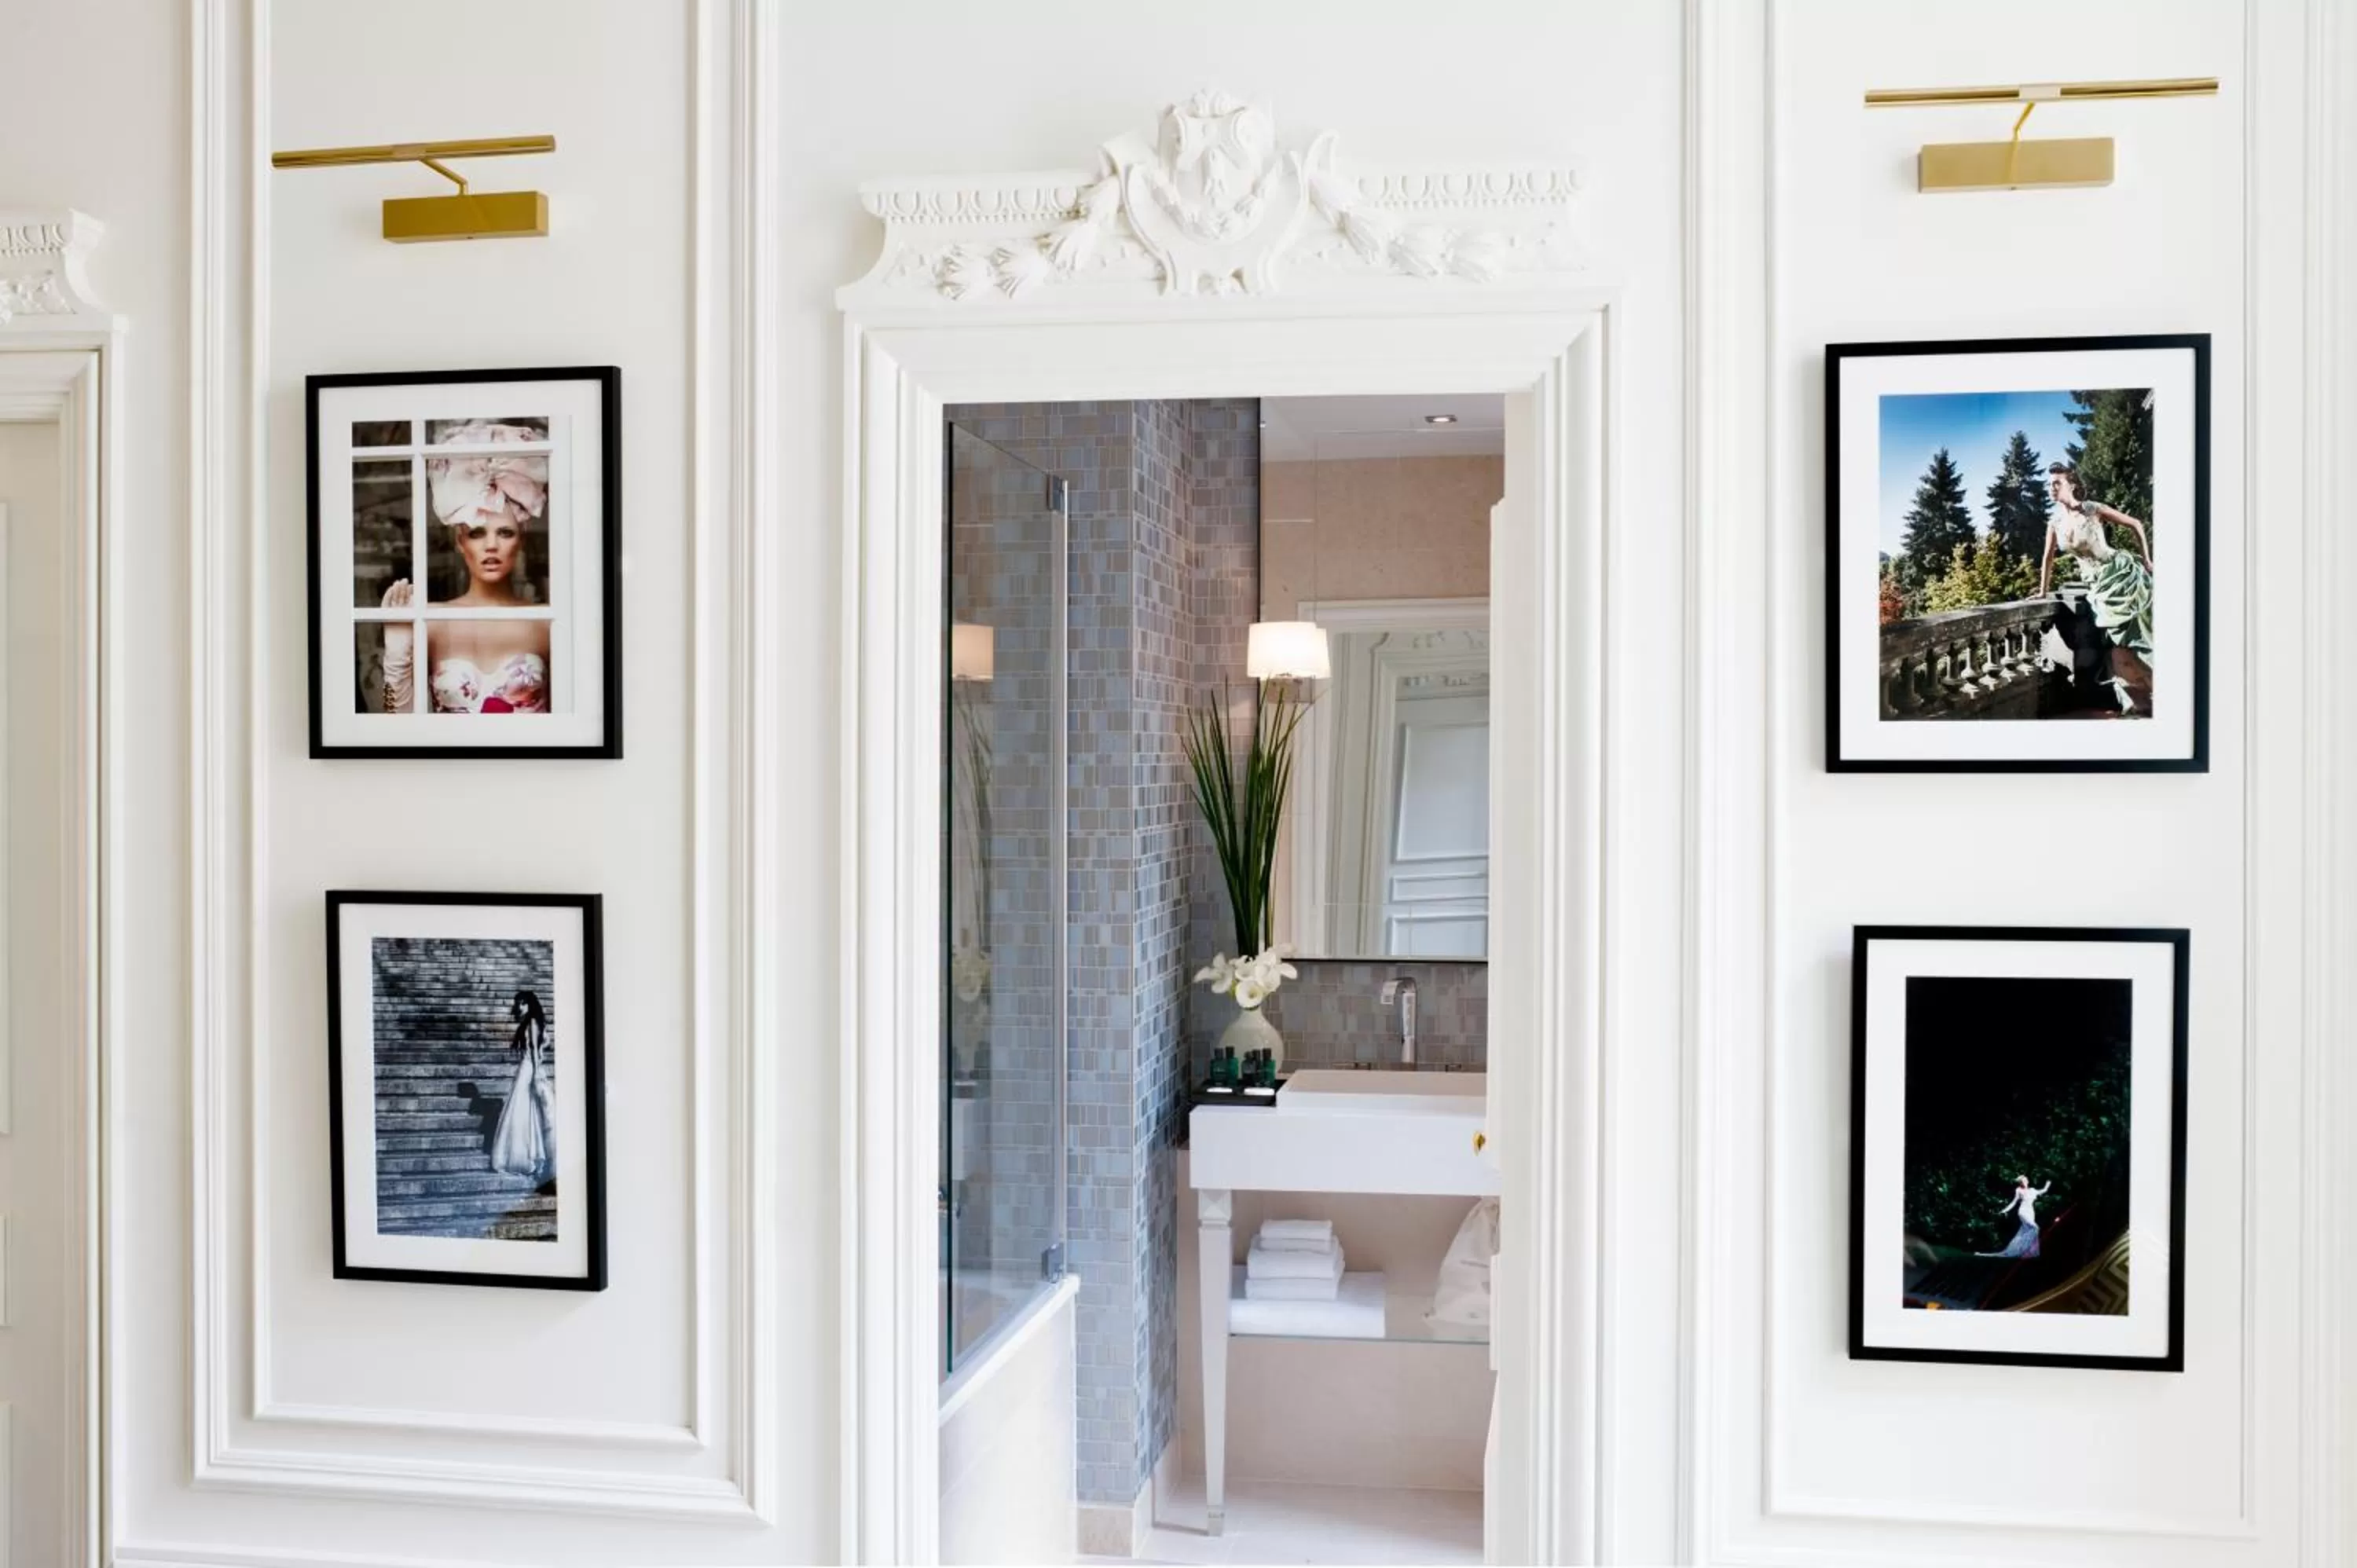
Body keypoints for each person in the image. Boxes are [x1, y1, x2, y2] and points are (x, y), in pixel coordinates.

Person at [379, 420, 552, 713]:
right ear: (460, 542)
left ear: (521, 540)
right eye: (477, 533)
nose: (491, 545)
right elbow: (397, 722)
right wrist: (396, 656)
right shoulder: (430, 621)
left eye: (505, 533)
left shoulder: (544, 623)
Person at [2037, 462, 2154, 711]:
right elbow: (2048, 559)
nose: (2052, 487)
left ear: (2073, 486)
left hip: (2122, 575)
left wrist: (2147, 560)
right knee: (2115, 642)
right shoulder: (2054, 522)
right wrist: (2042, 592)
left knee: (2135, 637)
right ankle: (2140, 700)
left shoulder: (2092, 509)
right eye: (2050, 484)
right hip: (2098, 586)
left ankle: (2159, 693)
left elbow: (2136, 524)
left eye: (2057, 483)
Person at [489, 989, 555, 1186]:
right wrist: (536, 1072)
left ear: (530, 1004)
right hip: (530, 1069)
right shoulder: (531, 1023)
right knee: (527, 1112)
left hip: (530, 1069)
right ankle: (528, 1158)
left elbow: (536, 1049)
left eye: (522, 1003)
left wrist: (536, 1071)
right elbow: (535, 1050)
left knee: (530, 1112)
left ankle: (531, 1157)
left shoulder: (532, 1022)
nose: (519, 1007)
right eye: (518, 1003)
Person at [1976, 1174, 2051, 1259]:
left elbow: (2043, 1190)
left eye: (2025, 1180)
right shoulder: (2019, 1190)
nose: (2024, 1182)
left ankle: (2027, 1251)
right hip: (2023, 1212)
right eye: (2022, 1181)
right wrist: (2005, 1210)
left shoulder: (2032, 1190)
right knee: (2035, 1228)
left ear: (2027, 1181)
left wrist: (2048, 1184)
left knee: (2027, 1231)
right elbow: (2014, 1202)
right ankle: (2024, 1250)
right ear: (2020, 1183)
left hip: (2031, 1212)